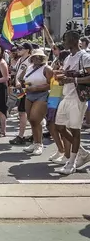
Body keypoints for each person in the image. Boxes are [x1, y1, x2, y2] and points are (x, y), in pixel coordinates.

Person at [54, 31, 90, 174]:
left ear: (75, 40)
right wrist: (61, 78)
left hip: (77, 98)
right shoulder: (68, 57)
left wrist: (72, 79)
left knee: (75, 130)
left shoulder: (85, 56)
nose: (63, 41)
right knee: (59, 127)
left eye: (66, 39)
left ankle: (71, 163)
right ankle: (83, 153)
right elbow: (68, 75)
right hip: (66, 96)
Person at [20, 48, 52, 156]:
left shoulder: (47, 68)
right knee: (31, 120)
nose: (37, 58)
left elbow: (51, 84)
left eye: (39, 56)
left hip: (42, 95)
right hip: (29, 95)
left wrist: (36, 88)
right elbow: (21, 79)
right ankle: (35, 142)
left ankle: (39, 144)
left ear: (43, 58)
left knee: (35, 119)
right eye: (35, 56)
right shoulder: (29, 68)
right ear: (32, 58)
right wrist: (24, 85)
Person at [10, 43, 33, 145]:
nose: (18, 50)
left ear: (28, 50)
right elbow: (15, 71)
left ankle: (21, 135)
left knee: (23, 112)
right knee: (21, 111)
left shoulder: (30, 60)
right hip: (18, 88)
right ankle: (25, 134)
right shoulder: (20, 60)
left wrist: (21, 82)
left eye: (21, 48)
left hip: (25, 88)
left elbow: (29, 74)